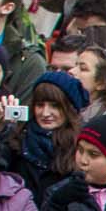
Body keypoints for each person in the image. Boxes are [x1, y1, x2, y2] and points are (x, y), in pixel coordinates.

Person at [13, 69, 88, 197]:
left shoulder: (81, 147)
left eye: (55, 106)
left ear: (69, 109)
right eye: (40, 105)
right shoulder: (18, 140)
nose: (45, 113)